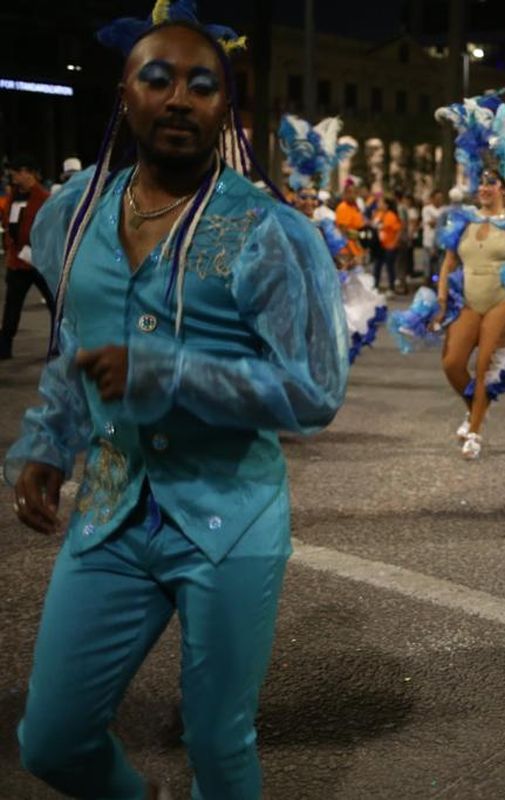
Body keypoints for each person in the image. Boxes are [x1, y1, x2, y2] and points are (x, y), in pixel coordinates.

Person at [6, 7, 347, 798]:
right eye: (157, 79)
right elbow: (72, 348)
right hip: (111, 506)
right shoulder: (74, 212)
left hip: (229, 518)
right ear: (124, 94)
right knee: (51, 741)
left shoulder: (272, 232)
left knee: (219, 748)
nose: (179, 99)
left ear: (226, 108)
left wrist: (169, 372)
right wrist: (46, 445)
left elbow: (314, 391)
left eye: (203, 85)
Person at [389, 91, 505, 459]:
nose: (484, 188)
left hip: (504, 298)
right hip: (469, 299)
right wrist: (441, 302)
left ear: (504, 187)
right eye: (481, 182)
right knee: (453, 363)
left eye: (491, 182)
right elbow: (447, 265)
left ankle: (474, 430)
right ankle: (476, 408)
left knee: (486, 360)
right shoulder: (462, 220)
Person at [278, 113, 386, 362]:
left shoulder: (323, 223)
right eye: (304, 197)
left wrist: (347, 261)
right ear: (294, 198)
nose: (309, 202)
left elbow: (337, 251)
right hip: (291, 287)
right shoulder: (283, 221)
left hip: (319, 285)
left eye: (312, 197)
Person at [1, 154, 53, 360]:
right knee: (11, 307)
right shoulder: (12, 196)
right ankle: (4, 347)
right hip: (17, 262)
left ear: (29, 173)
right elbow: (7, 226)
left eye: (17, 171)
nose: (13, 175)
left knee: (56, 305)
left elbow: (51, 230)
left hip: (40, 263)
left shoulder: (45, 199)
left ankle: (63, 343)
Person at [419, 189, 445, 278]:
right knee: (428, 267)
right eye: (437, 198)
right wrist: (440, 221)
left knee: (439, 267)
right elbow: (431, 223)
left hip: (441, 243)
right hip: (428, 242)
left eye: (441, 198)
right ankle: (427, 284)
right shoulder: (426, 209)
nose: (439, 200)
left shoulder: (444, 210)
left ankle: (437, 285)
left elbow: (446, 224)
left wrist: (437, 221)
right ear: (432, 199)